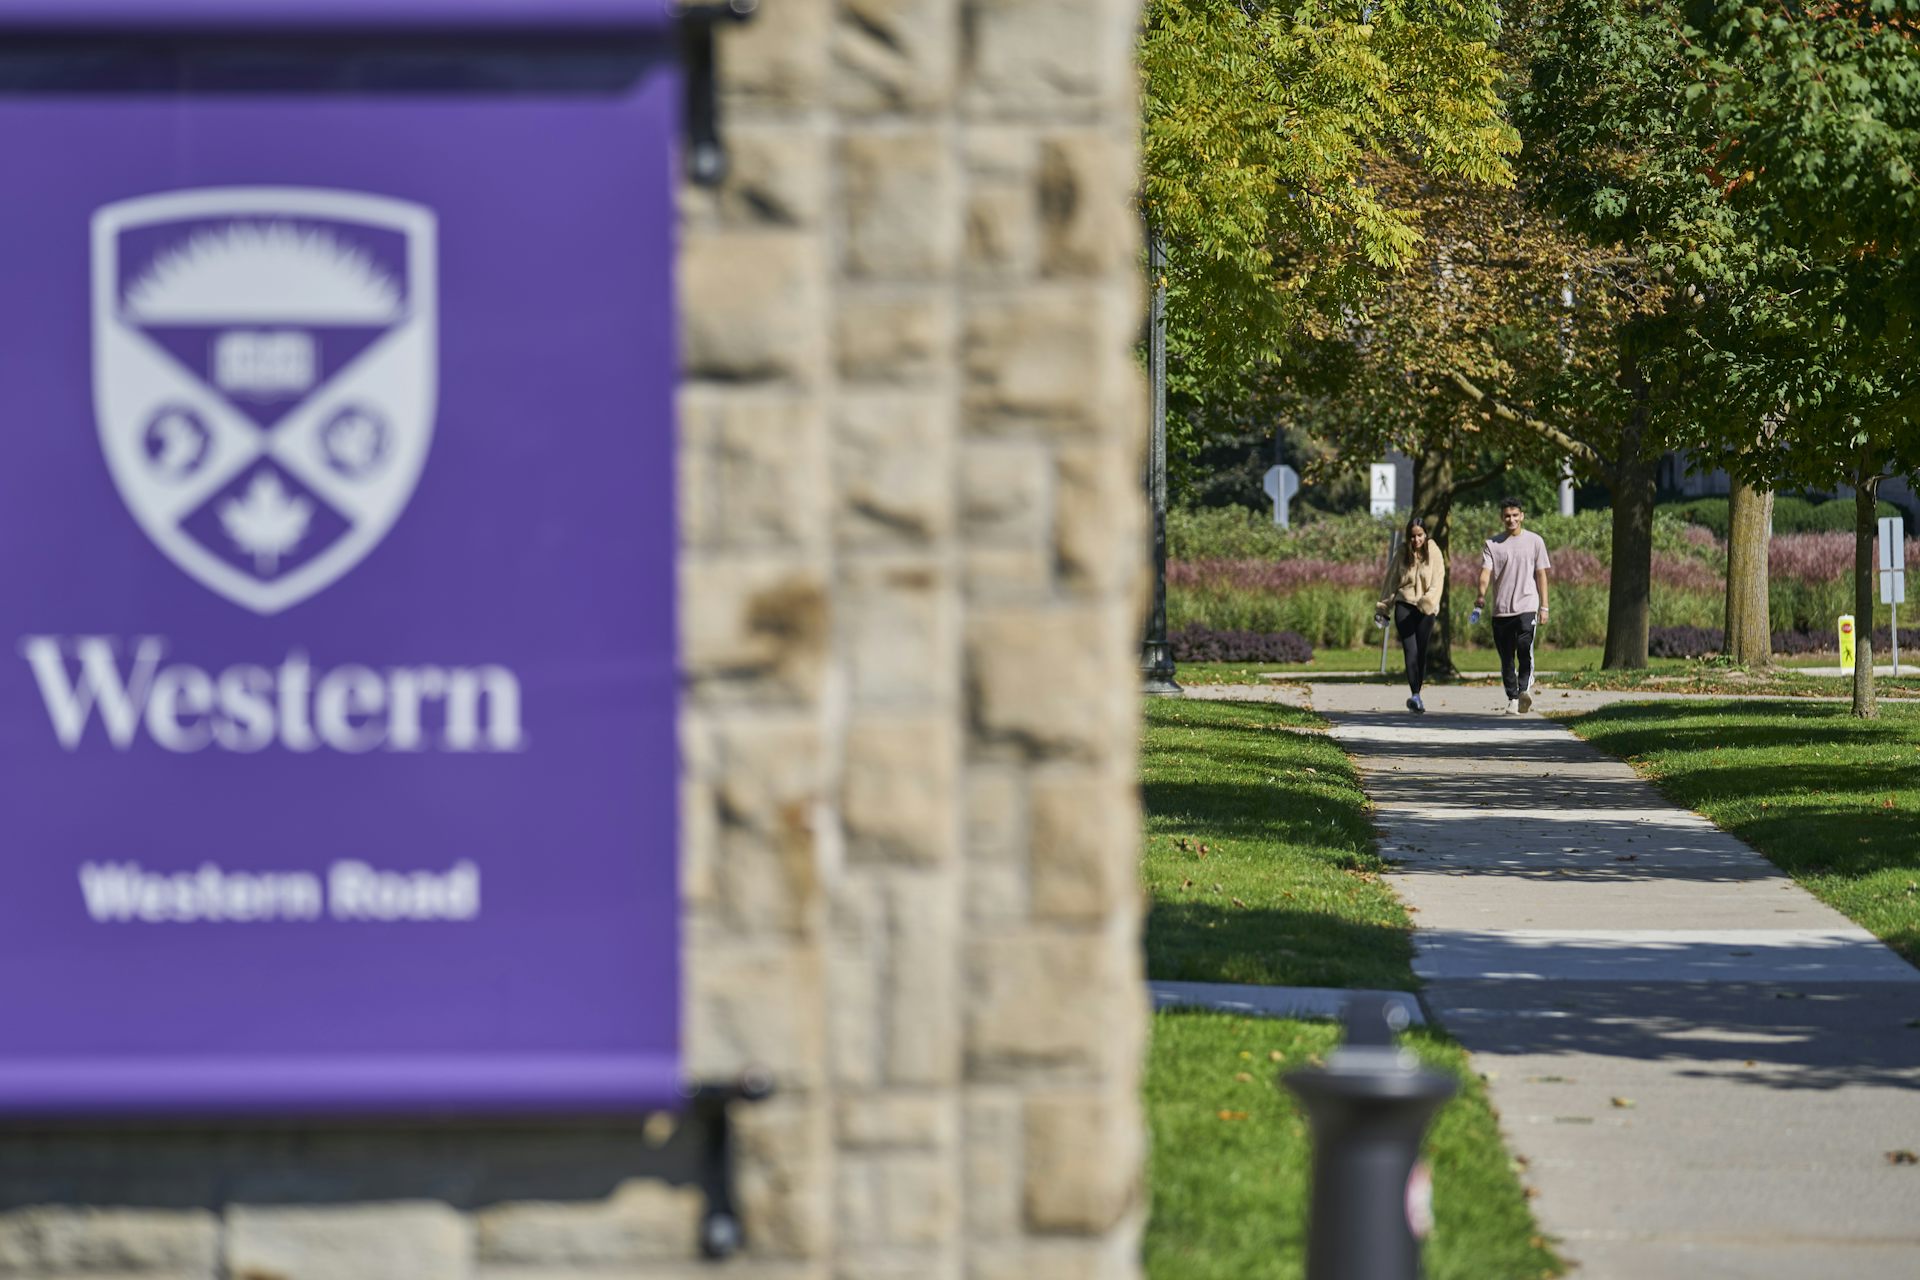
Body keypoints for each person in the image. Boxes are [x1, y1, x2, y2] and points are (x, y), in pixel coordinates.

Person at [1472, 497, 1552, 714]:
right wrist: (1481, 595)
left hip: (1527, 605)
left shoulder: (1535, 541)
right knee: (1506, 658)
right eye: (1507, 516)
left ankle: (1524, 689)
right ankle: (1513, 698)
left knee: (1524, 647)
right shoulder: (1492, 544)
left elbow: (1541, 575)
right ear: (1502, 518)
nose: (1511, 519)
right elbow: (1485, 573)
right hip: (1501, 609)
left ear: (1522, 516)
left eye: (1515, 515)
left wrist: (1544, 607)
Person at [1376, 517, 1446, 714]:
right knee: (1410, 651)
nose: (1416, 540)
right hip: (1404, 605)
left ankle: (1418, 692)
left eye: (1420, 535)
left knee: (1421, 651)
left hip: (1425, 609)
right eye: (1412, 536)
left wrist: (1428, 602)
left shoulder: (1434, 551)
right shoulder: (1402, 552)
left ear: (1425, 534)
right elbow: (1391, 581)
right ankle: (1415, 695)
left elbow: (1438, 580)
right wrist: (1383, 608)